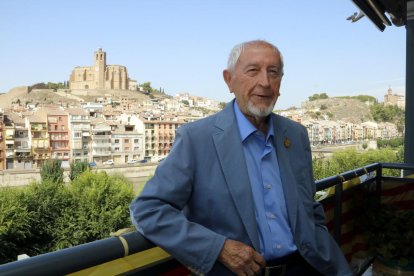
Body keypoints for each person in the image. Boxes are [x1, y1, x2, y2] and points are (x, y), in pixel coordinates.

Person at [130, 40, 353, 276]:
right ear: (229, 80)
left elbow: (309, 206)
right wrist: (218, 248)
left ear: (280, 82)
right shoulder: (196, 138)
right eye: (253, 71)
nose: (265, 82)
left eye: (273, 72)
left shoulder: (296, 135)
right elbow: (147, 209)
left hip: (307, 267)